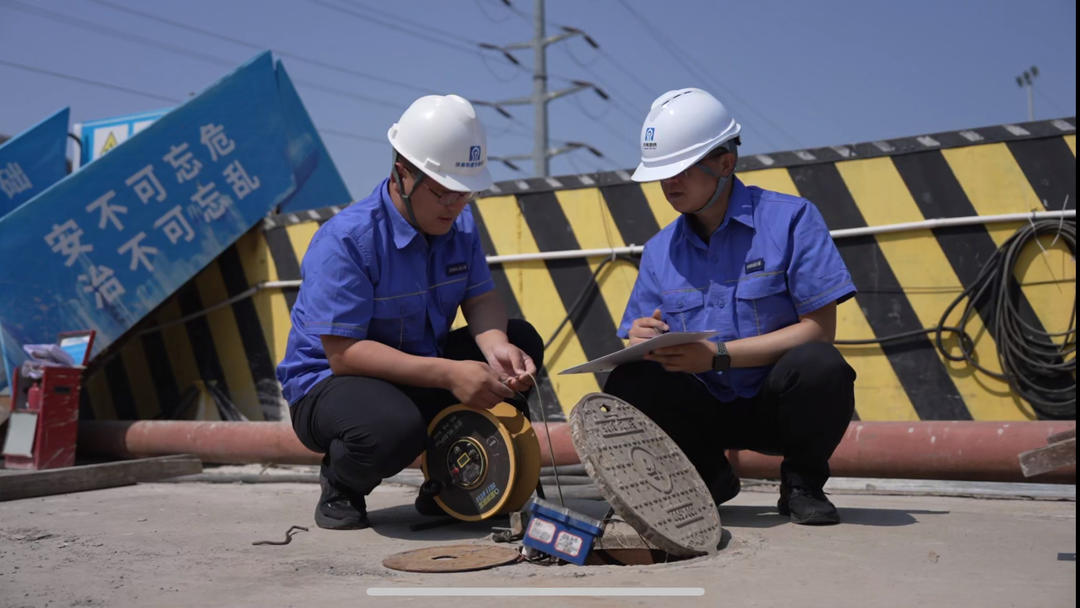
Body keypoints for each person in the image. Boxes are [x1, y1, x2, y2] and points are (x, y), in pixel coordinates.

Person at [276, 94, 542, 530]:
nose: (454, 207)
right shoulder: (346, 241)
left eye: (465, 195)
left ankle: (448, 482)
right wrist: (450, 374)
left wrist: (495, 346)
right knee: (394, 427)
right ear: (403, 174)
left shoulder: (461, 225)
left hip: (418, 366)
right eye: (442, 193)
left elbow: (479, 298)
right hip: (333, 383)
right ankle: (342, 483)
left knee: (521, 338)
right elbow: (344, 354)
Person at [604, 88, 856, 525]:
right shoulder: (659, 250)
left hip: (773, 407)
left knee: (821, 365)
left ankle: (803, 484)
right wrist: (641, 338)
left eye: (681, 169)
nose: (670, 184)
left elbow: (819, 329)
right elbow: (637, 335)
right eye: (662, 174)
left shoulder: (792, 219)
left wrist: (718, 356)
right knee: (629, 379)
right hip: (703, 412)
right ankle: (705, 478)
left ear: (726, 162)